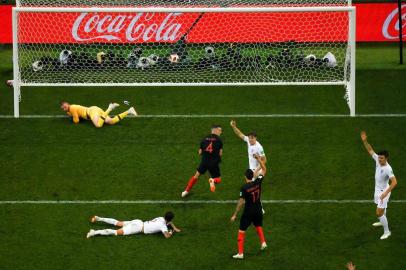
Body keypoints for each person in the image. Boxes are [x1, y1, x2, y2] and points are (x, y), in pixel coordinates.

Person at [360, 131, 397, 240]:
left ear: (387, 158)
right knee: (381, 212)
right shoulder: (377, 160)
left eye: (382, 158)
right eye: (379, 157)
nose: (379, 160)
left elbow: (394, 182)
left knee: (378, 212)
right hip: (377, 190)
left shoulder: (388, 169)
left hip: (383, 192)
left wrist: (385, 193)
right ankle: (382, 220)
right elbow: (370, 150)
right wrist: (365, 141)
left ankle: (387, 231)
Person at [231, 154, 268, 259]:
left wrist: (235, 214)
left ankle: (240, 253)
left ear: (245, 177)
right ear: (252, 176)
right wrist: (259, 160)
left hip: (248, 212)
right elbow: (264, 170)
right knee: (258, 225)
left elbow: (240, 203)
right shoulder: (258, 182)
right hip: (258, 210)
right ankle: (263, 242)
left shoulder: (244, 188)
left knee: (241, 231)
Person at [182, 125, 223, 197]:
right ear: (215, 130)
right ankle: (213, 181)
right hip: (214, 162)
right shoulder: (219, 140)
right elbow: (220, 153)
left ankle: (186, 191)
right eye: (220, 130)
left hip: (205, 161)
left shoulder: (204, 138)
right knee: (218, 179)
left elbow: (200, 152)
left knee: (196, 176)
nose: (221, 132)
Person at [86, 211, 181, 239]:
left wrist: (175, 228)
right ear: (170, 219)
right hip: (138, 228)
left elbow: (169, 223)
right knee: (116, 232)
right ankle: (94, 232)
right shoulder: (163, 226)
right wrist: (171, 232)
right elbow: (167, 236)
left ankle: (98, 218)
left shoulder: (161, 218)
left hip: (139, 222)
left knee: (118, 223)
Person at [60, 101, 137, 128]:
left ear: (68, 104)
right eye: (63, 108)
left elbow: (76, 121)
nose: (64, 109)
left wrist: (72, 116)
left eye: (65, 107)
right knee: (111, 121)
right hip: (95, 109)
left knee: (98, 125)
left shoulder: (72, 108)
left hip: (91, 112)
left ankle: (110, 107)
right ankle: (129, 110)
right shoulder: (71, 108)